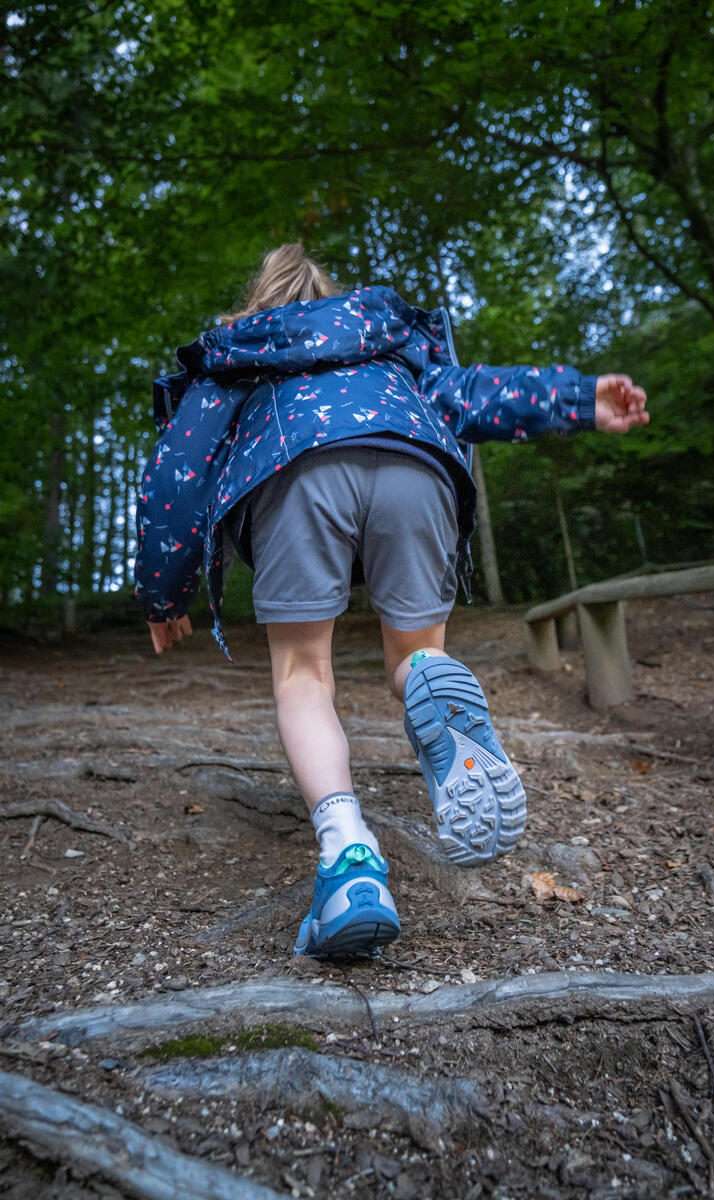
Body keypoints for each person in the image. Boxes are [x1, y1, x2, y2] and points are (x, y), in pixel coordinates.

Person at [135, 243, 648, 959]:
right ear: (331, 295)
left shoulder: (239, 353)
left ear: (261, 298)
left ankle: (348, 858)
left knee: (304, 674)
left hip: (296, 471)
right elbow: (472, 394)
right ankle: (430, 685)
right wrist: (578, 399)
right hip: (415, 461)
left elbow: (177, 474)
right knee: (417, 653)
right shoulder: (387, 341)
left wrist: (165, 590)